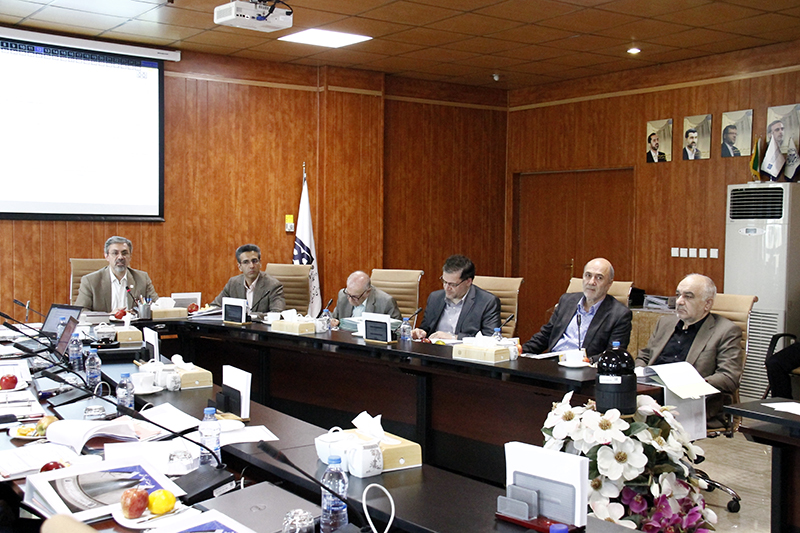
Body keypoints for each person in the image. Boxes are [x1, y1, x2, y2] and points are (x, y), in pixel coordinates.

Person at [636, 274, 743, 427]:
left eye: (688, 296)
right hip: (650, 393)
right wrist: (639, 372)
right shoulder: (665, 323)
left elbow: (729, 377)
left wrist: (690, 385)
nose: (679, 301)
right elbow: (645, 356)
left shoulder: (726, 331)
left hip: (689, 402)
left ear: (707, 304)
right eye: (678, 295)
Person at [521, 258, 631, 358]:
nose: (591, 282)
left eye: (599, 278)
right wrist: (521, 350)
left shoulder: (619, 314)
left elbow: (613, 353)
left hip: (584, 367)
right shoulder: (567, 301)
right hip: (552, 362)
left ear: (609, 283)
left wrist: (589, 361)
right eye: (588, 275)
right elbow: (545, 335)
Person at [412, 255, 500, 340]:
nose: (447, 287)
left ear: (468, 282)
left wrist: (453, 338)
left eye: (453, 284)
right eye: (444, 281)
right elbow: (426, 328)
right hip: (435, 348)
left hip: (463, 349)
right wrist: (420, 332)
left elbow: (490, 338)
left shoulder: (487, 302)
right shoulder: (435, 298)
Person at [75, 236, 158, 313]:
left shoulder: (142, 279)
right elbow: (81, 312)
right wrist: (109, 316)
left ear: (130, 256)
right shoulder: (90, 281)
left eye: (124, 253)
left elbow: (157, 306)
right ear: (106, 256)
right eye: (115, 253)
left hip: (133, 324)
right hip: (103, 324)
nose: (120, 257)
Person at [213, 244, 284, 313]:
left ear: (260, 263)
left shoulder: (273, 285)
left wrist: (250, 316)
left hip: (260, 322)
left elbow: (277, 313)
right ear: (240, 267)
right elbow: (215, 306)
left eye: (254, 261)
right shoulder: (233, 283)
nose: (251, 266)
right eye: (246, 262)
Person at [330, 271, 402, 327]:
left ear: (367, 292)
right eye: (348, 294)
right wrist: (332, 322)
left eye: (355, 297)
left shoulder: (386, 302)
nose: (350, 299)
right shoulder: (343, 295)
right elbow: (335, 318)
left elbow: (397, 328)